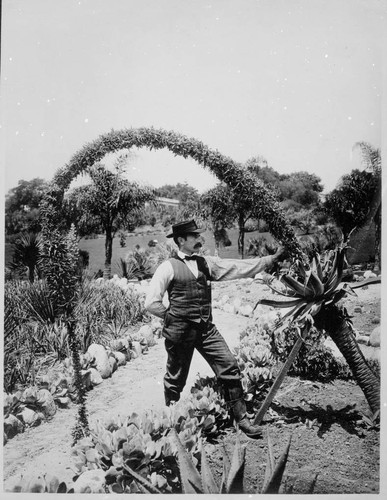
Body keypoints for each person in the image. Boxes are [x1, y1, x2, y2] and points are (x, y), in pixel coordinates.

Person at [145, 219, 284, 439]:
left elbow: (236, 267)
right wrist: (172, 317)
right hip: (180, 332)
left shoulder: (206, 263)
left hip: (206, 329)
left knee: (229, 366)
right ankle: (171, 425)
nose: (199, 239)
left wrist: (269, 260)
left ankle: (243, 420)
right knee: (175, 378)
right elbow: (151, 302)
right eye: (194, 236)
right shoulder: (167, 267)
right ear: (181, 240)